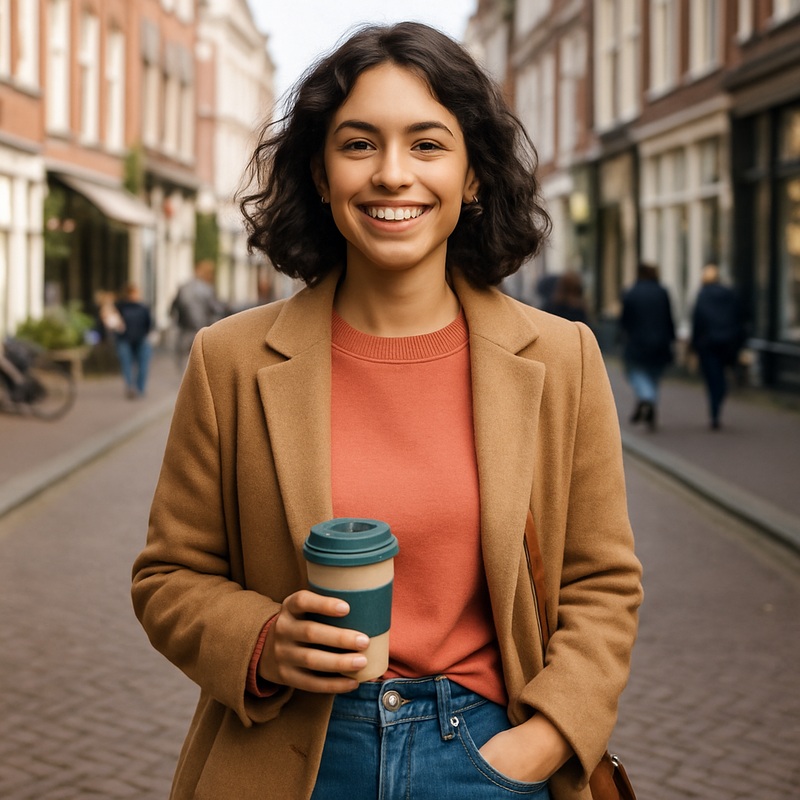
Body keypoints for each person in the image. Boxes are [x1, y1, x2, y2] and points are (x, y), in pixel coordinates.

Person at [132, 23, 642, 800]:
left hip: (487, 753)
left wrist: (540, 742)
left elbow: (602, 583)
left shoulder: (560, 357)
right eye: (360, 144)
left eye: (428, 145)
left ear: (472, 176)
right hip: (291, 757)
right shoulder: (229, 360)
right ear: (320, 170)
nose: (392, 175)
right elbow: (170, 575)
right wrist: (264, 644)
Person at [619, 263, 675, 431]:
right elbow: (669, 317)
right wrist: (671, 338)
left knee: (634, 371)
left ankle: (646, 397)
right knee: (653, 376)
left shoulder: (632, 293)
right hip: (661, 343)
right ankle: (650, 405)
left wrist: (621, 337)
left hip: (637, 342)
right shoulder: (662, 292)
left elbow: (625, 320)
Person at [691, 264, 745, 430]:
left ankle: (715, 411)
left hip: (708, 343)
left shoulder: (703, 295)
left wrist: (694, 344)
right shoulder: (729, 293)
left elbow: (697, 320)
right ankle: (720, 396)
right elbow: (739, 317)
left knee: (712, 377)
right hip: (728, 342)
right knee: (721, 374)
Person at [170, 259, 226, 365]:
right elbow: (217, 310)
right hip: (203, 330)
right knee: (202, 363)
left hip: (185, 331)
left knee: (184, 362)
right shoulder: (207, 289)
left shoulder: (183, 287)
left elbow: (173, 308)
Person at [114, 284, 152, 398]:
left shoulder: (143, 308)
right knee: (126, 364)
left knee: (143, 365)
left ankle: (140, 389)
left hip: (141, 339)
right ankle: (130, 387)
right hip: (124, 339)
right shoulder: (121, 308)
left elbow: (149, 323)